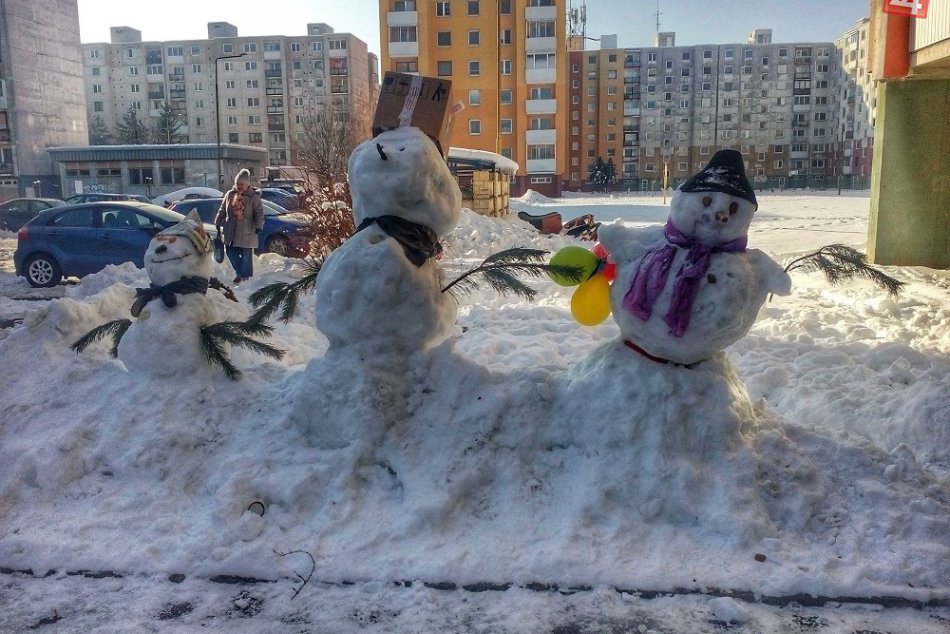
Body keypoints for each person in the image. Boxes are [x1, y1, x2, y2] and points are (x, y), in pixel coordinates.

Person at [215, 168, 264, 283]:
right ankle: (240, 272)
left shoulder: (254, 197)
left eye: (242, 184)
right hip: (231, 231)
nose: (239, 186)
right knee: (230, 252)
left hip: (248, 231)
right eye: (237, 184)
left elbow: (259, 213)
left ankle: (245, 278)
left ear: (247, 185)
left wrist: (259, 225)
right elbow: (222, 210)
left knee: (246, 255)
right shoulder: (230, 195)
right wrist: (218, 221)